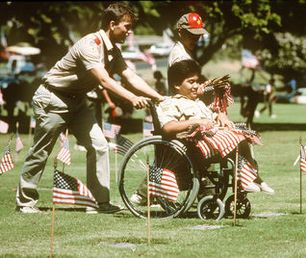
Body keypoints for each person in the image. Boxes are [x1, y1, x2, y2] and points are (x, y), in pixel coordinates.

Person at [16, 3, 164, 214]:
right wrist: (132, 98)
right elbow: (104, 80)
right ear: (112, 25)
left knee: (100, 145)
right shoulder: (90, 44)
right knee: (41, 151)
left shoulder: (114, 50)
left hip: (76, 102)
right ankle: (25, 202)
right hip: (53, 99)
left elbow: (130, 76)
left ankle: (99, 203)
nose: (130, 31)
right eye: (127, 26)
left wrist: (158, 97)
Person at [159, 59, 274, 194]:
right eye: (191, 82)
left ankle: (251, 177)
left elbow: (212, 116)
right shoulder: (170, 103)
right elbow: (168, 127)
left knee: (242, 132)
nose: (196, 86)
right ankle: (247, 179)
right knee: (236, 138)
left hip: (210, 139)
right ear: (177, 85)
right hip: (194, 145)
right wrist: (196, 122)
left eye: (197, 81)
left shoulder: (198, 103)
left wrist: (221, 117)